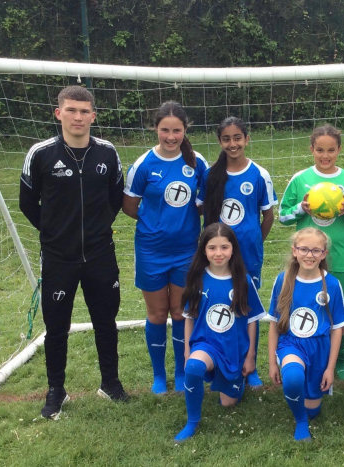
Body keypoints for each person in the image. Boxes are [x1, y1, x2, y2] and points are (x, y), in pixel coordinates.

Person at [19, 85, 128, 420]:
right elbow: (28, 205)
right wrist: (57, 235)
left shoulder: (108, 153)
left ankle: (110, 383)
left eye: (84, 111)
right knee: (57, 326)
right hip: (59, 258)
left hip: (100, 256)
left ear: (93, 116)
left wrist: (94, 232)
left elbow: (115, 200)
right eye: (71, 110)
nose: (78, 117)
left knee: (106, 321)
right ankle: (57, 390)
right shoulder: (41, 154)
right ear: (59, 114)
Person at [122, 101, 209, 395]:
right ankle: (159, 375)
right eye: (165, 130)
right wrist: (157, 223)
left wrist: (181, 220)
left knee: (180, 312)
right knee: (157, 314)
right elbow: (130, 206)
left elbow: (204, 201)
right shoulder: (143, 165)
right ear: (155, 129)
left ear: (185, 130)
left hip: (186, 250)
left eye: (177, 131)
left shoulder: (197, 162)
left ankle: (182, 372)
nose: (171, 137)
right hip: (151, 250)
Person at [278, 124, 344, 380]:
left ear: (339, 150)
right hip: (307, 260)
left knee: (335, 312)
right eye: (320, 150)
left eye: (331, 150)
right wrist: (301, 209)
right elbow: (283, 216)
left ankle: (339, 362)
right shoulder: (300, 179)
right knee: (303, 307)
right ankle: (303, 355)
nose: (325, 155)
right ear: (312, 149)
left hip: (339, 257)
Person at [199, 116, 277, 388]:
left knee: (247, 310)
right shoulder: (210, 175)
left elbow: (268, 215)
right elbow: (201, 208)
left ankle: (249, 363)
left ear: (247, 138)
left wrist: (254, 239)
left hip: (248, 256)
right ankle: (220, 358)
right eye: (226, 139)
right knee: (221, 306)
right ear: (220, 142)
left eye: (237, 138)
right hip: (218, 257)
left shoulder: (259, 174)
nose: (233, 144)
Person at [173, 223, 266, 442]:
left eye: (224, 247)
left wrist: (250, 356)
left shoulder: (243, 281)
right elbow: (189, 318)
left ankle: (237, 384)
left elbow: (252, 321)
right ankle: (192, 422)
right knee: (194, 368)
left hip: (233, 347)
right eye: (212, 248)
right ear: (203, 250)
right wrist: (187, 351)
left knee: (228, 403)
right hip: (206, 343)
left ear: (233, 249)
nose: (218, 253)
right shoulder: (197, 279)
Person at [266, 227, 344, 441]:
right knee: (293, 379)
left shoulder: (331, 284)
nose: (309, 255)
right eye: (304, 249)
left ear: (323, 254)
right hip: (291, 344)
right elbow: (274, 325)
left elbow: (338, 328)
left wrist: (330, 368)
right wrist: (272, 363)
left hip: (319, 349)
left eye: (315, 251)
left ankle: (307, 410)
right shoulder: (283, 280)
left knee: (314, 411)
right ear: (294, 251)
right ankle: (300, 423)